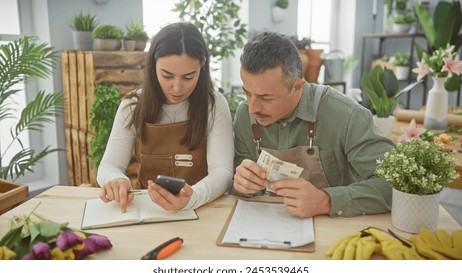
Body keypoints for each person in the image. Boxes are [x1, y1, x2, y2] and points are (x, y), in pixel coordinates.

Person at [232, 32, 394, 218]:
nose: (252, 108)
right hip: (263, 225)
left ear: (298, 87)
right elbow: (237, 186)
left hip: (335, 231)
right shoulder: (245, 116)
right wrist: (242, 184)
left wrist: (327, 200)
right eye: (247, 93)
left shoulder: (346, 116)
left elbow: (393, 183)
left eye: (266, 98)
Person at [97, 22, 234, 213]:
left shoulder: (214, 105)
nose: (177, 88)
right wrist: (114, 179)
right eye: (167, 75)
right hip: (148, 212)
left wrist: (192, 197)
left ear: (202, 67)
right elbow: (109, 165)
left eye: (188, 77)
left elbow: (223, 172)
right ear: (153, 66)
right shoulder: (132, 106)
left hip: (202, 210)